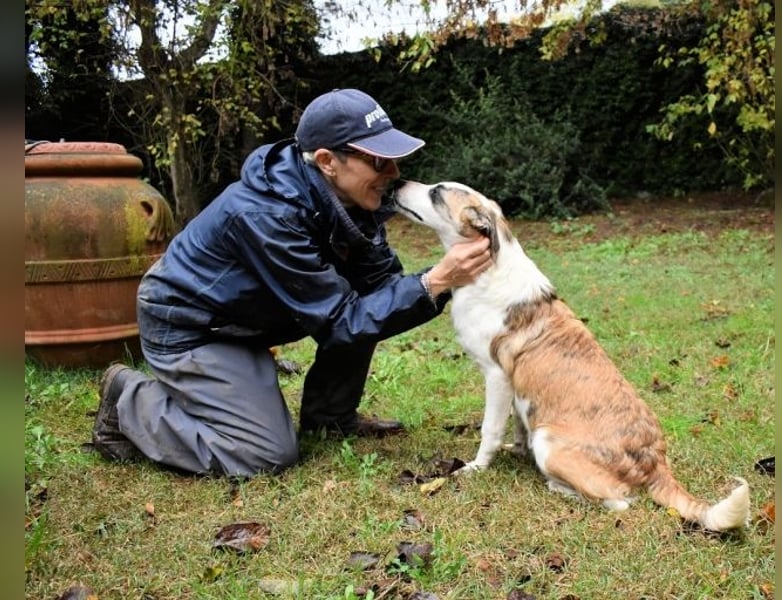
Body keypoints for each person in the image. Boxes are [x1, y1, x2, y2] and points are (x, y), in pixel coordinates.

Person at [91, 88, 493, 477]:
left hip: (245, 321)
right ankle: (127, 401)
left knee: (373, 304)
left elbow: (382, 292)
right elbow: (342, 322)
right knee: (264, 453)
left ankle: (329, 418)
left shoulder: (351, 202)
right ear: (326, 160)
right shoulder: (266, 216)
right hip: (193, 328)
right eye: (378, 160)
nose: (394, 172)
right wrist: (437, 279)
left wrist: (442, 284)